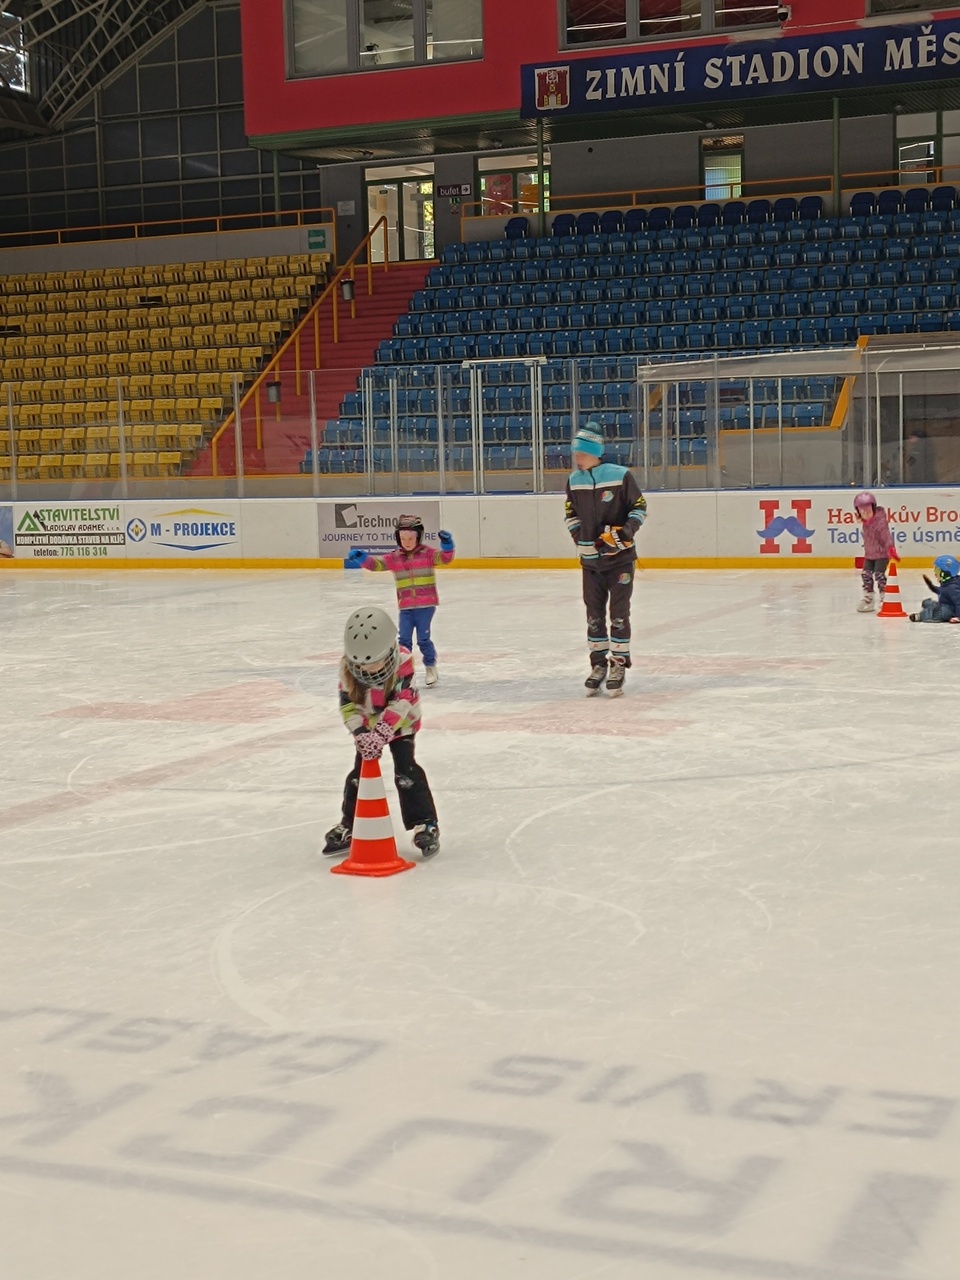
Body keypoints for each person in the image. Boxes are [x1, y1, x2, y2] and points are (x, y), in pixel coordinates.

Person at [323, 605, 440, 858]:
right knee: (359, 775)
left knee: (406, 771)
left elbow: (403, 699)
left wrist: (384, 730)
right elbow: (348, 706)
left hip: (402, 723)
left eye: (375, 662)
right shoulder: (347, 668)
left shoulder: (403, 660)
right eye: (363, 665)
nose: (369, 669)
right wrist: (361, 733)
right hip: (367, 726)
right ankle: (349, 824)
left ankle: (425, 822)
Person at [564, 422, 647, 696]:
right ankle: (598, 664)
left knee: (619, 614)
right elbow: (570, 514)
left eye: (581, 452)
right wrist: (580, 539)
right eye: (575, 452)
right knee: (594, 616)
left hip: (620, 561)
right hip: (590, 564)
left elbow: (639, 508)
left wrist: (623, 534)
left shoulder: (621, 476)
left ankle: (618, 664)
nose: (577, 457)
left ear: (594, 452)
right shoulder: (574, 480)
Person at [345, 515, 455, 687]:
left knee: (423, 639)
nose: (407, 542)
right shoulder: (395, 557)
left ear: (419, 537)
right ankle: (402, 671)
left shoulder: (427, 554)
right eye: (403, 538)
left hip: (426, 606)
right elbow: (376, 564)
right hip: (406, 607)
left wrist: (447, 545)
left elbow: (445, 558)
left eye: (411, 538)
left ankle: (430, 666)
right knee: (404, 641)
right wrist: (362, 558)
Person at [854, 491, 898, 613]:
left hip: (882, 554)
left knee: (879, 575)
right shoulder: (865, 521)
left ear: (873, 508)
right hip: (870, 554)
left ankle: (885, 597)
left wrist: (890, 548)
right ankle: (869, 598)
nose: (866, 514)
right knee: (866, 574)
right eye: (862, 511)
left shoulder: (879, 522)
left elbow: (886, 535)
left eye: (868, 510)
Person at [910, 554, 960, 623]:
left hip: (949, 611)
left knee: (938, 611)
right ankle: (930, 610)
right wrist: (930, 585)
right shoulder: (948, 583)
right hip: (944, 605)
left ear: (945, 573)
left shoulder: (952, 587)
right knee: (927, 603)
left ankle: (920, 616)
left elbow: (958, 601)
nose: (935, 573)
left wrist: (958, 616)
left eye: (937, 570)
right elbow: (940, 591)